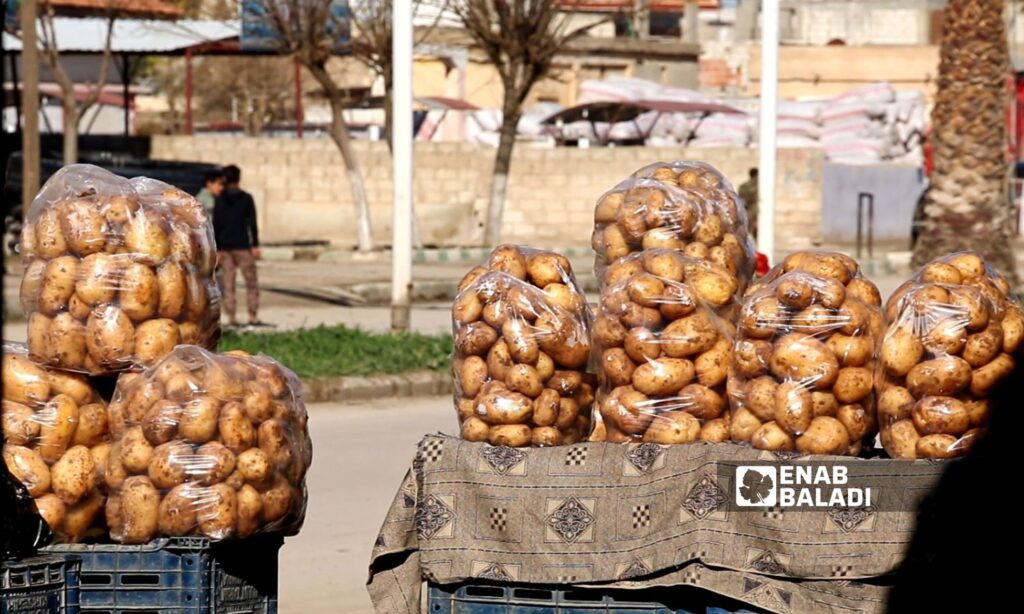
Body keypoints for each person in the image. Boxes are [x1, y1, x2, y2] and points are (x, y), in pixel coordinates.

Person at [213, 165, 261, 326]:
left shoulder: (220, 199)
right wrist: (255, 244)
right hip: (242, 246)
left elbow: (216, 224)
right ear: (239, 178)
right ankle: (252, 316)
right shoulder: (246, 198)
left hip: (225, 248)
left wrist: (217, 247)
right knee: (251, 282)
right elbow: (252, 223)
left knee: (228, 283)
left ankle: (232, 317)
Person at [737, 167, 759, 238]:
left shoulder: (763, 186)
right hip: (750, 215)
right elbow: (743, 202)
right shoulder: (744, 187)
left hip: (755, 215)